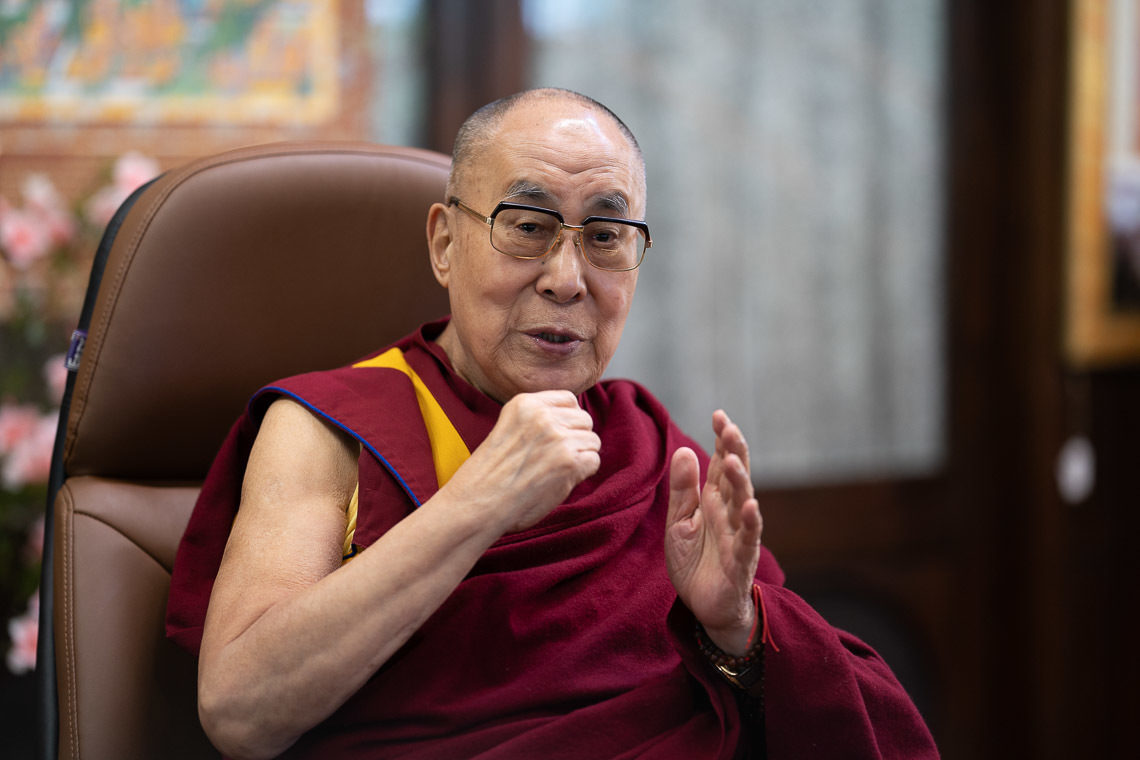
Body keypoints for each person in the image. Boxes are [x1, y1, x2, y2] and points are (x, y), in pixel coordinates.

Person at [166, 88, 938, 760]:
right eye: (529, 226)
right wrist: (480, 503)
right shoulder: (329, 429)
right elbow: (241, 712)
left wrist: (735, 632)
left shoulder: (649, 448)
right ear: (444, 243)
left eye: (604, 238)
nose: (567, 281)